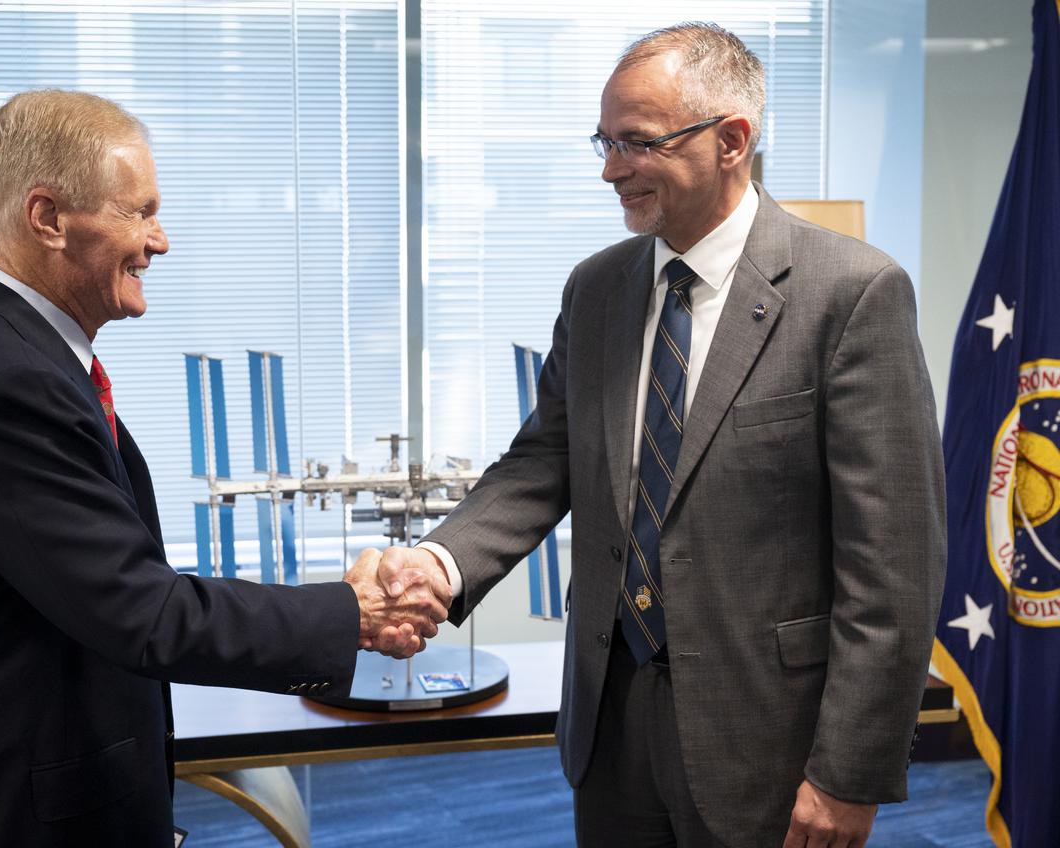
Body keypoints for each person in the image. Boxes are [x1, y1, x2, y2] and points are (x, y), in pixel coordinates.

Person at [374, 22, 946, 847]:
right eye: (605, 142)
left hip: (771, 736)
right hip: (610, 720)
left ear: (731, 141)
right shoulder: (597, 288)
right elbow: (545, 460)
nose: (611, 170)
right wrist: (441, 562)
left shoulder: (851, 293)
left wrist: (849, 772)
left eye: (637, 143)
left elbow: (893, 565)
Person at [0, 90, 449, 847]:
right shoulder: (11, 385)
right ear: (48, 218)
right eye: (138, 212)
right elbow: (144, 613)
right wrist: (352, 613)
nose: (160, 240)